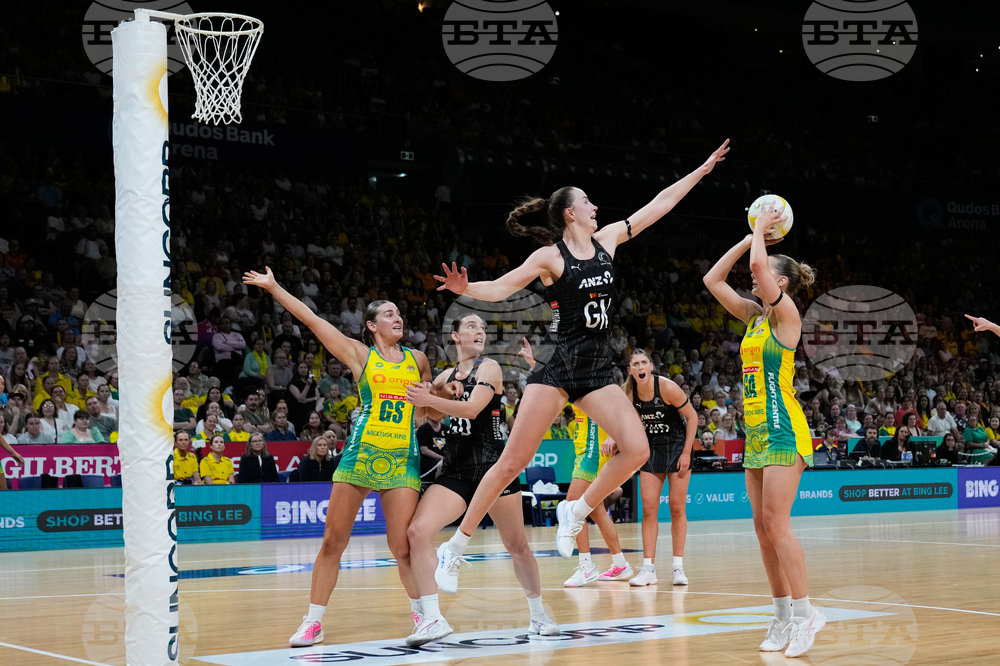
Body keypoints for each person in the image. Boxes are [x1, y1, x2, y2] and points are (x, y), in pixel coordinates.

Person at [431, 141, 731, 592]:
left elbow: (659, 206)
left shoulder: (607, 239)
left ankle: (575, 510)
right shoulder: (550, 257)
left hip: (596, 368)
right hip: (557, 365)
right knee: (512, 462)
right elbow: (502, 289)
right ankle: (455, 547)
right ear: (570, 213)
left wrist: (701, 171)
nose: (595, 207)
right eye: (587, 202)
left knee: (637, 449)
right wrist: (466, 288)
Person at [244, 267, 432, 649]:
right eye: (389, 314)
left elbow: (427, 411)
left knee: (402, 548)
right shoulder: (360, 354)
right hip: (361, 455)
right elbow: (312, 320)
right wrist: (274, 287)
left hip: (402, 457)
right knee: (333, 541)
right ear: (371, 325)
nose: (398, 317)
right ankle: (313, 623)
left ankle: (425, 619)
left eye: (399, 313)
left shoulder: (419, 359)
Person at [702, 201, 824, 657]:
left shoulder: (786, 314)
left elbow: (757, 265)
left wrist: (760, 231)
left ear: (782, 283)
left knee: (777, 523)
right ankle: (782, 616)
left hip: (784, 429)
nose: (755, 278)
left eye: (766, 275)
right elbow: (712, 280)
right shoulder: (754, 317)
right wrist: (747, 237)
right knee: (761, 529)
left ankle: (807, 614)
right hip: (756, 433)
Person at [404, 314, 558, 645]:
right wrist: (430, 394)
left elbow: (473, 409)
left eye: (483, 328)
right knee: (417, 532)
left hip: (493, 468)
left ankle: (539, 614)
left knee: (517, 546)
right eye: (471, 326)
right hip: (456, 469)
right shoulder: (445, 376)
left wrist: (431, 398)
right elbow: (431, 415)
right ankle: (432, 619)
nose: (480, 332)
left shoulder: (489, 369)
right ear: (455, 336)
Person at [605, 350, 697, 587]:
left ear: (651, 366)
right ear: (630, 371)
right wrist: (613, 438)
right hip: (651, 449)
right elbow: (626, 423)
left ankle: (678, 567)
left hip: (677, 447)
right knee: (648, 509)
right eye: (635, 364)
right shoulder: (629, 393)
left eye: (644, 362)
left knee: (677, 508)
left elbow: (693, 417)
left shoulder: (666, 387)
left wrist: (687, 452)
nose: (640, 367)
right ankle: (648, 569)